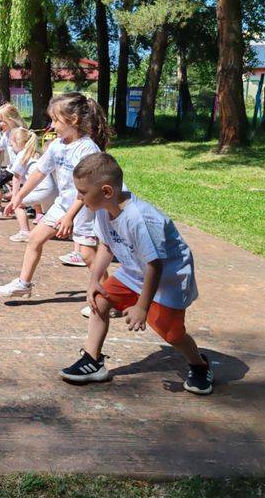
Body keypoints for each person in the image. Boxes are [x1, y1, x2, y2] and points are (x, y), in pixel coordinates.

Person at [60, 152, 213, 395]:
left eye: (82, 192)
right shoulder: (102, 209)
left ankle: (199, 365)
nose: (78, 197)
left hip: (168, 278)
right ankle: (92, 361)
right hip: (135, 271)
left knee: (171, 333)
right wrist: (93, 280)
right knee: (99, 300)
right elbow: (107, 246)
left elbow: (156, 266)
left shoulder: (139, 218)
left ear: (107, 191)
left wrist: (142, 307)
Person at [0, 92, 110, 298]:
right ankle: (23, 284)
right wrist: (18, 196)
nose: (52, 125)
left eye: (56, 120)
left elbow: (88, 188)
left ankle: (112, 296)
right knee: (35, 239)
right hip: (64, 203)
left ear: (73, 120)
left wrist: (69, 217)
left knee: (87, 254)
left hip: (84, 206)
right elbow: (40, 171)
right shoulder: (57, 145)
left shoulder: (87, 149)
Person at [5, 127, 57, 243]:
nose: (11, 146)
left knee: (17, 205)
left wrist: (14, 197)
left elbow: (16, 177)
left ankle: (24, 232)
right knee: (53, 213)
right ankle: (61, 232)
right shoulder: (36, 153)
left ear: (17, 142)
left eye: (11, 144)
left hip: (42, 190)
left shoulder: (22, 154)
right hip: (53, 190)